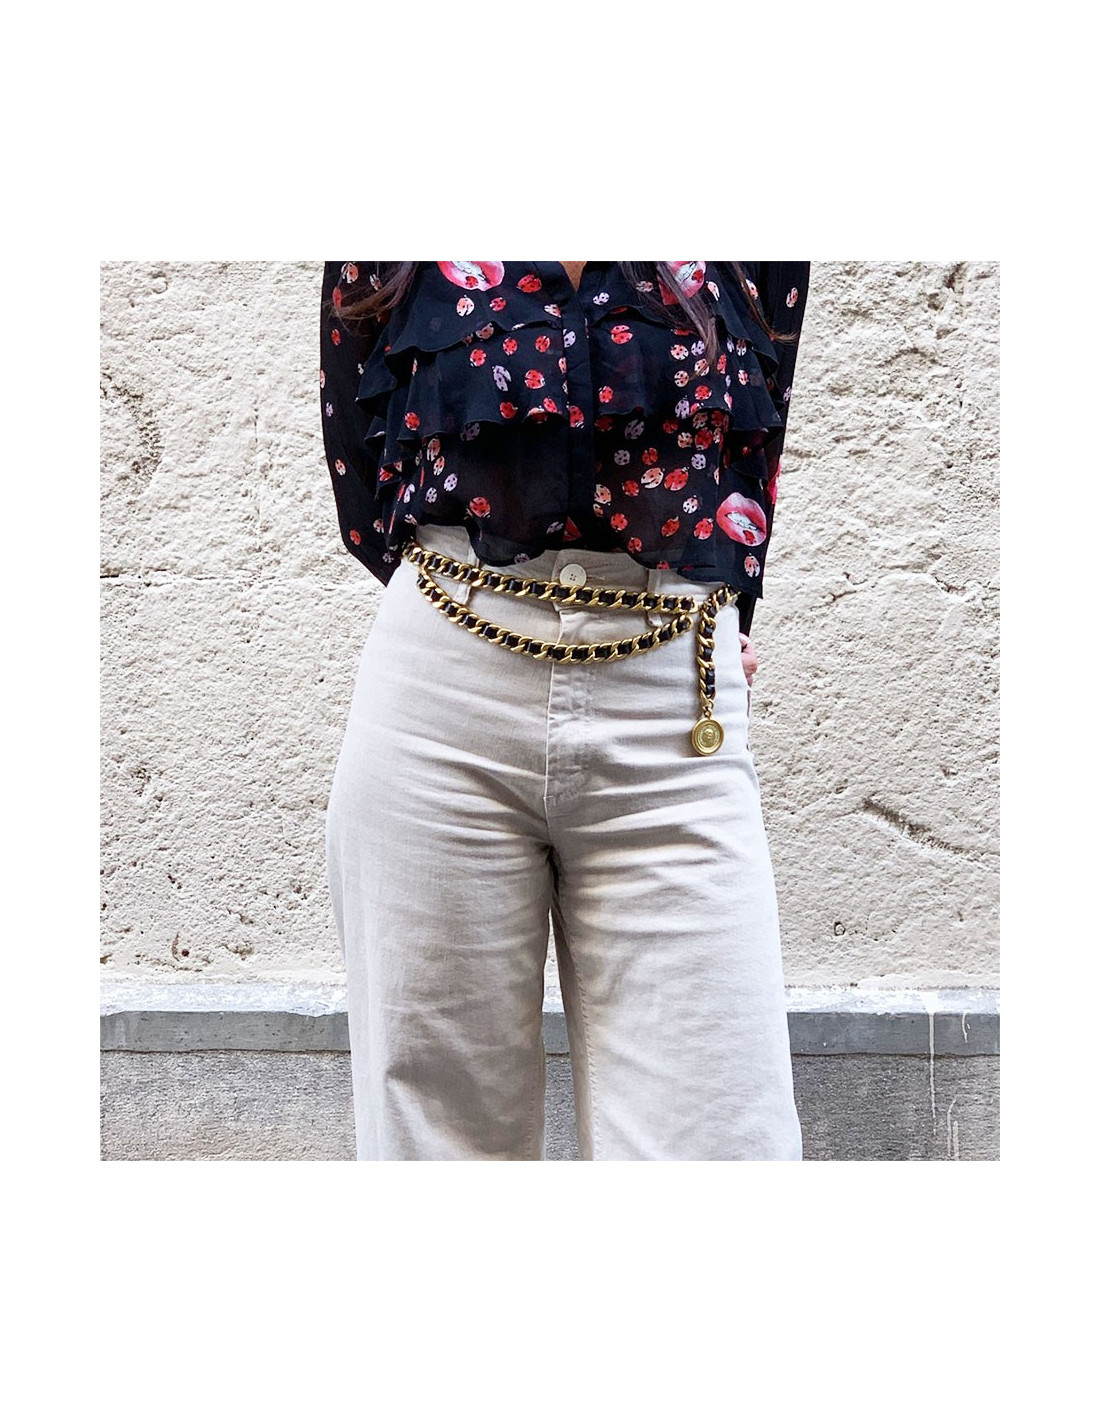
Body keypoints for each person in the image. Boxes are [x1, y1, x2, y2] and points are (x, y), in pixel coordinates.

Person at [319, 260, 811, 1161]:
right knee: (437, 1147)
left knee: (719, 1139)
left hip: (671, 702)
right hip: (441, 700)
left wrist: (724, 609)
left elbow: (752, 447)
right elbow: (359, 454)